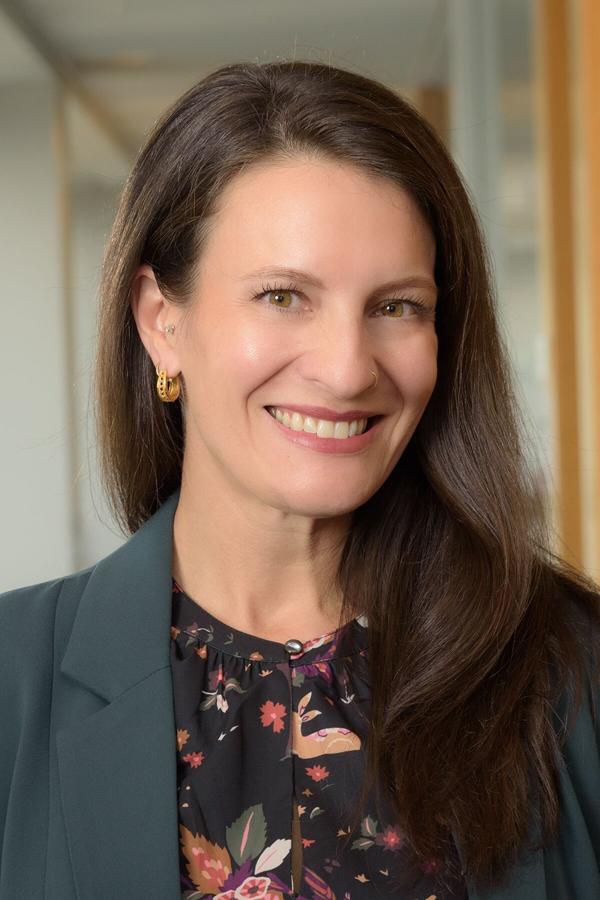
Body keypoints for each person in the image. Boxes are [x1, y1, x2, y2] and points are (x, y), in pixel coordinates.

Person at [1, 60, 599, 900]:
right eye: (284, 295)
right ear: (161, 321)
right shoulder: (12, 676)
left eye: (397, 306)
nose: (348, 369)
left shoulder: (568, 666)